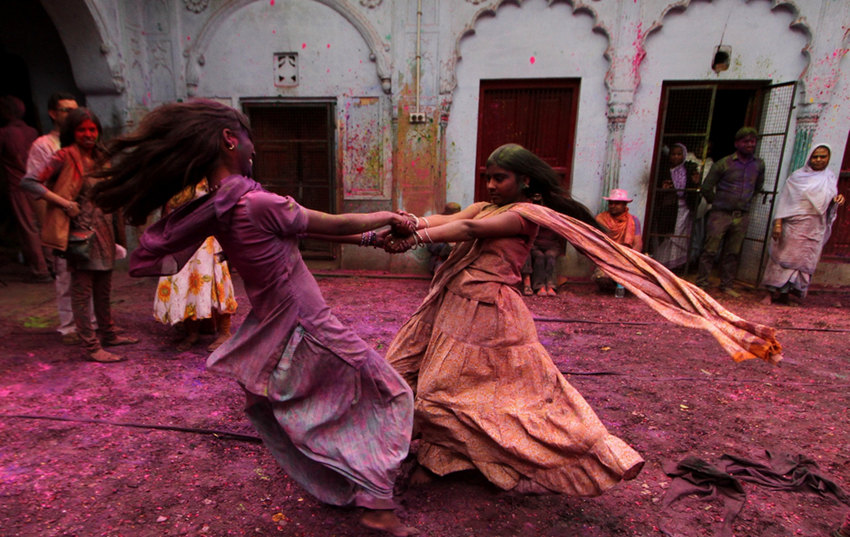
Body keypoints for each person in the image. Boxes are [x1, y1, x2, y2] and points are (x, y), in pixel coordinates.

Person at [92, 100, 418, 536]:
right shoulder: (257, 201)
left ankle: (356, 476)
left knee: (330, 399)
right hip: (310, 324)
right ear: (230, 138)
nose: (253, 151)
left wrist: (372, 238)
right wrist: (394, 217)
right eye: (249, 141)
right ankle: (377, 503)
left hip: (279, 326)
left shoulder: (221, 207)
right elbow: (335, 222)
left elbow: (302, 228)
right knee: (390, 391)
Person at [382, 143, 782, 497]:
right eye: (488, 177)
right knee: (445, 386)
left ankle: (586, 452)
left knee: (456, 394)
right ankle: (451, 461)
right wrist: (410, 223)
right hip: (454, 308)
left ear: (524, 181)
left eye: (499, 178)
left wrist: (413, 239)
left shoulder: (525, 214)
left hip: (489, 316)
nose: (490, 185)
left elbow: (468, 228)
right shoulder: (490, 205)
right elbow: (442, 219)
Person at [21, 108, 138, 363]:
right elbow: (29, 182)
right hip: (79, 233)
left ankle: (108, 334)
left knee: (104, 288)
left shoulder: (100, 157)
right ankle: (91, 345)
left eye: (92, 129)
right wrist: (63, 202)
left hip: (104, 231)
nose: (88, 134)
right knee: (82, 291)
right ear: (71, 132)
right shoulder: (64, 155)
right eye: (82, 130)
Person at [153, 179, 237, 352]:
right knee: (185, 285)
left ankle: (224, 332)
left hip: (206, 240)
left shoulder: (210, 177)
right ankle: (192, 332)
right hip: (181, 238)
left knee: (215, 283)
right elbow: (169, 210)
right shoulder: (178, 179)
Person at [26, 92, 83, 343]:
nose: (72, 115)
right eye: (66, 110)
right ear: (53, 113)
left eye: (75, 110)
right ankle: (69, 325)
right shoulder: (44, 146)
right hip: (60, 217)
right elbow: (33, 184)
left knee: (89, 271)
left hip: (84, 217)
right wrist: (61, 206)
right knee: (65, 273)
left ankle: (90, 323)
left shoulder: (83, 143)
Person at [761, 143, 845, 304]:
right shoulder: (797, 177)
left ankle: (787, 295)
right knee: (782, 258)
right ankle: (770, 292)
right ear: (809, 158)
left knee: (802, 262)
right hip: (793, 226)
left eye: (823, 156)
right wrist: (778, 224)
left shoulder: (830, 178)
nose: (819, 160)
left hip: (814, 227)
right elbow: (784, 201)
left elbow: (827, 203)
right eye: (815, 156)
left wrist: (837, 200)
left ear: (828, 158)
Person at [697, 127, 765, 290]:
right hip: (720, 214)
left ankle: (726, 285)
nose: (750, 144)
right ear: (737, 143)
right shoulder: (723, 164)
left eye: (752, 141)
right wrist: (718, 203)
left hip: (741, 215)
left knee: (733, 252)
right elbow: (706, 188)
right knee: (710, 250)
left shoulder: (758, 165)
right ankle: (702, 284)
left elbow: (757, 187)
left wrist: (743, 203)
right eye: (745, 141)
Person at [0, 95, 45, 281]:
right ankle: (50, 263)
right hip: (37, 183)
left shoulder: (4, 133)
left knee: (29, 228)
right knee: (42, 224)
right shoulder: (32, 132)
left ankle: (40, 269)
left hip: (18, 185)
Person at [652, 143, 701, 270]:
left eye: (679, 154)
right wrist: (663, 189)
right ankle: (663, 265)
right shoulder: (663, 171)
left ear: (683, 155)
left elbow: (695, 194)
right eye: (673, 154)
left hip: (684, 209)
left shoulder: (689, 171)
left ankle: (677, 266)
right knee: (668, 235)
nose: (675, 157)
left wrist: (695, 183)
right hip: (669, 208)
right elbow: (655, 193)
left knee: (681, 236)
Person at [592, 188, 642, 292]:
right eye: (611, 203)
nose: (613, 206)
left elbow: (638, 243)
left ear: (625, 205)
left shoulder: (633, 220)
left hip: (625, 257)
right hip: (606, 258)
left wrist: (630, 261)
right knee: (602, 279)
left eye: (617, 203)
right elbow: (594, 243)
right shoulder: (600, 219)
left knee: (633, 281)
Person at [520, 193, 567, 296]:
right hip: (535, 244)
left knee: (550, 256)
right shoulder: (530, 211)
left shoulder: (553, 212)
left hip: (552, 245)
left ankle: (550, 285)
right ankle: (539, 286)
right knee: (539, 257)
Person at [425, 202, 461, 273]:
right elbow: (431, 246)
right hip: (440, 260)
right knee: (442, 272)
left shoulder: (462, 223)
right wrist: (447, 245)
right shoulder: (436, 223)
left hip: (457, 260)